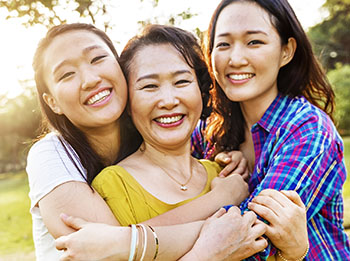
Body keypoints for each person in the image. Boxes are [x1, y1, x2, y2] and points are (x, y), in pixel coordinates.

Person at [55, 24, 308, 261]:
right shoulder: (113, 186)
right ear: (129, 104)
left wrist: (294, 251)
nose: (168, 100)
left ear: (202, 92)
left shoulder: (226, 174)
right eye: (149, 86)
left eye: (181, 82)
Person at [191, 0, 350, 259]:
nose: (235, 58)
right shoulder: (207, 131)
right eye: (223, 44)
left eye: (254, 42)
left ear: (286, 51)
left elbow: (253, 242)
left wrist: (223, 195)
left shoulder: (307, 128)